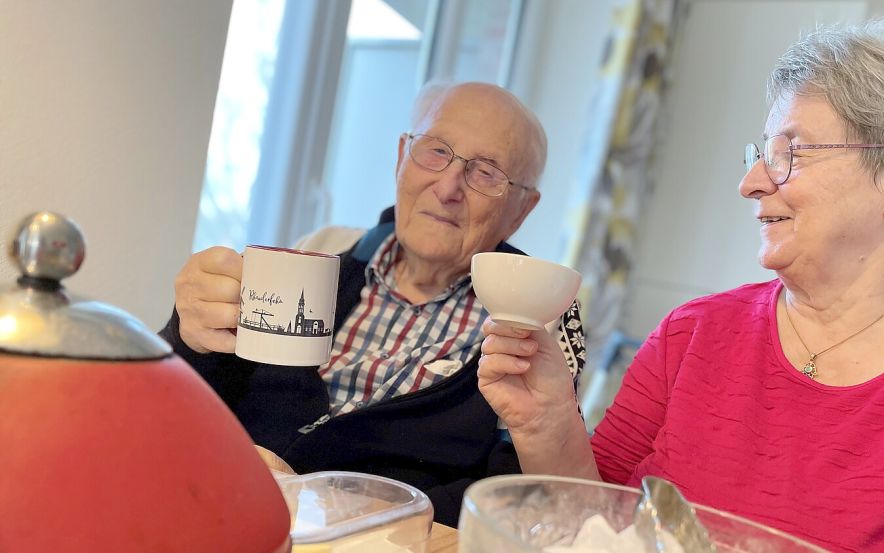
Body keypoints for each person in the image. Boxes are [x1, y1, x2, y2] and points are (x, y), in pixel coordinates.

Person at [478, 15, 884, 551]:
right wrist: (549, 425)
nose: (751, 183)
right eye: (762, 153)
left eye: (793, 154)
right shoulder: (693, 333)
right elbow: (595, 527)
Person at [160, 82, 586, 525]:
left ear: (521, 210)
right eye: (436, 151)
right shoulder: (322, 252)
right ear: (403, 156)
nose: (448, 187)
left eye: (486, 173)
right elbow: (180, 401)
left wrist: (332, 504)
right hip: (212, 503)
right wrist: (190, 336)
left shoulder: (537, 319)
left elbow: (519, 501)